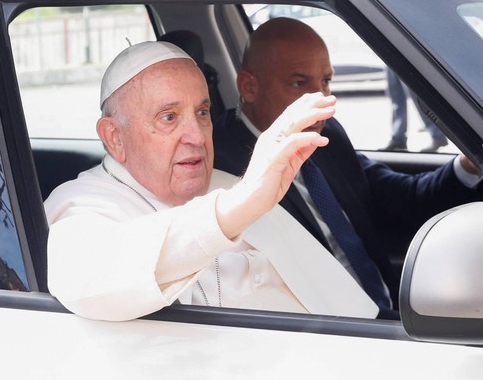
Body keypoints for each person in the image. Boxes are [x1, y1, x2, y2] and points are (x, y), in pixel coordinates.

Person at [45, 41, 379, 322]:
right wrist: (234, 208)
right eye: (169, 117)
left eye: (202, 113)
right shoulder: (82, 203)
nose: (196, 136)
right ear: (114, 137)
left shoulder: (228, 182)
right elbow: (89, 278)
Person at [213, 17, 483, 319]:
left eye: (326, 81)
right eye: (298, 83)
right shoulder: (221, 167)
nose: (322, 100)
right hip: (330, 329)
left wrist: (468, 166)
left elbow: (397, 198)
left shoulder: (327, 135)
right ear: (249, 87)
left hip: (390, 310)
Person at [383, 69, 448, 152]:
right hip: (390, 56)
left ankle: (438, 135)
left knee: (416, 96)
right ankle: (398, 138)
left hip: (404, 57)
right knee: (396, 95)